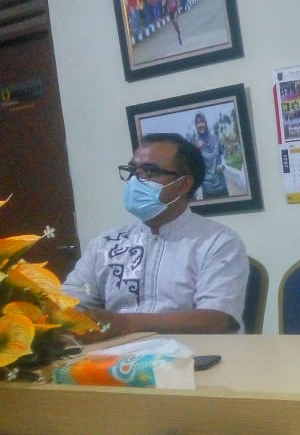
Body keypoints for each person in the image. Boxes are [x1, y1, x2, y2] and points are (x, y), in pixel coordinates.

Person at [62, 133, 248, 340]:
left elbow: (216, 320)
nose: (135, 180)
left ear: (183, 184)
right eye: (133, 171)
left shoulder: (217, 241)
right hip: (113, 354)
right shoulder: (105, 244)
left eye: (149, 171)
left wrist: (128, 323)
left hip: (191, 354)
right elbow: (67, 303)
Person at [194, 111, 229, 198]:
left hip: (221, 185)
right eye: (198, 123)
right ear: (196, 126)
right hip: (208, 189)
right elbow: (194, 165)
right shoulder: (196, 143)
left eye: (202, 121)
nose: (200, 125)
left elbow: (222, 155)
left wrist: (223, 165)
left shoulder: (215, 138)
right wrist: (197, 149)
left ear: (205, 123)